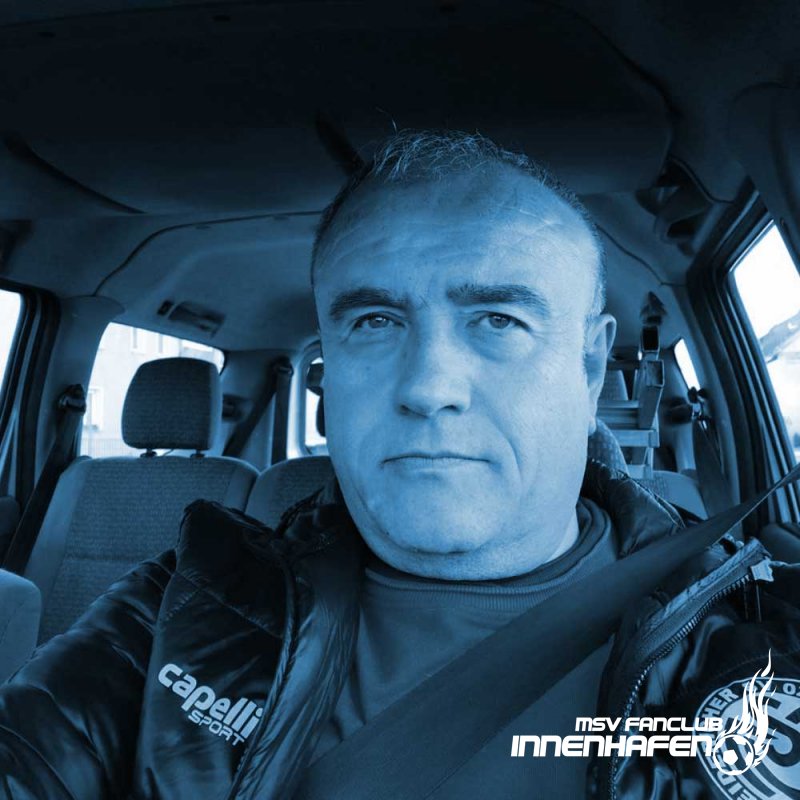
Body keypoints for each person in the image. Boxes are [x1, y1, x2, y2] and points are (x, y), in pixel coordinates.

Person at [0, 131, 796, 800]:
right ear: (329, 375)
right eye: (375, 322)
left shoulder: (751, 631)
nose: (427, 387)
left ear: (589, 367)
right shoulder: (178, 615)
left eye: (498, 319)